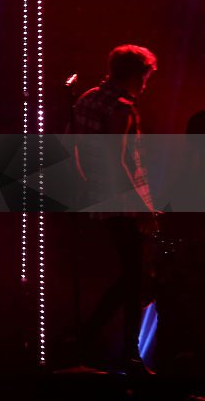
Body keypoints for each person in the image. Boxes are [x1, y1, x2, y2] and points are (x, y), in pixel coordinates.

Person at [71, 44, 157, 374]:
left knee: (128, 277)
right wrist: (141, 207)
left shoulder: (87, 99)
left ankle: (90, 340)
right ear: (136, 75)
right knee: (135, 278)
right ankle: (128, 354)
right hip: (122, 202)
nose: (147, 84)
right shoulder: (122, 107)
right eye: (145, 77)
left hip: (94, 198)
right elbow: (118, 160)